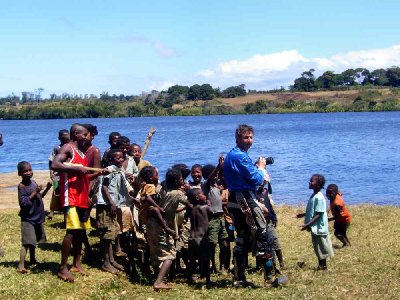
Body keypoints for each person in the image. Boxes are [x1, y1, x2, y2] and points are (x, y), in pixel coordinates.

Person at [223, 124, 282, 288]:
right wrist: (261, 169)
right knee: (263, 236)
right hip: (244, 199)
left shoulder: (232, 155)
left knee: (242, 238)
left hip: (234, 198)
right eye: (245, 137)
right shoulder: (240, 157)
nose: (249, 141)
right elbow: (257, 179)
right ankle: (270, 279)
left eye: (251, 137)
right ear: (237, 138)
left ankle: (239, 278)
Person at [52, 123, 97, 282]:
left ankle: (76, 264)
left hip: (82, 197)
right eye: (84, 134)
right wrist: (77, 169)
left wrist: (100, 172)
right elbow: (55, 164)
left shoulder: (82, 154)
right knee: (71, 231)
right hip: (70, 196)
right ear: (76, 134)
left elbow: (83, 176)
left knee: (80, 231)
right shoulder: (67, 148)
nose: (87, 137)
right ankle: (63, 268)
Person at [146, 168, 189, 291]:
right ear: (176, 181)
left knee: (155, 251)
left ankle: (157, 276)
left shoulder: (161, 188)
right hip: (161, 224)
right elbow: (190, 204)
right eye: (181, 178)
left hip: (151, 222)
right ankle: (158, 282)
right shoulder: (177, 194)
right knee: (170, 255)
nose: (182, 180)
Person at [17, 161, 52, 273]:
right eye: (25, 171)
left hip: (37, 217)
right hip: (28, 218)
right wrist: (34, 192)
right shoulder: (21, 186)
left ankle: (32, 260)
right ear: (19, 173)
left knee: (34, 241)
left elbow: (39, 197)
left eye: (30, 170)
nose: (28, 172)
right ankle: (21, 265)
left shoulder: (33, 183)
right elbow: (24, 203)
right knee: (27, 242)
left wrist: (46, 189)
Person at [99, 149, 128, 273]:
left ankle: (111, 260)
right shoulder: (109, 170)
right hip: (106, 205)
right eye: (118, 158)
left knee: (113, 232)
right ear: (111, 160)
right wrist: (111, 202)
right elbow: (104, 187)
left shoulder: (118, 170)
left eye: (122, 157)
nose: (121, 160)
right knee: (107, 234)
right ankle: (106, 262)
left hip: (113, 205)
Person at [296, 174, 334, 270]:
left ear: (318, 184)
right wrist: (303, 214)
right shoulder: (314, 195)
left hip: (319, 227)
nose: (309, 182)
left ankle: (323, 267)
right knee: (317, 246)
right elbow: (314, 211)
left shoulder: (319, 197)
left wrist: (307, 224)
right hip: (315, 227)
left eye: (312, 181)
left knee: (321, 246)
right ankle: (321, 265)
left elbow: (319, 214)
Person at [201, 158, 229, 274]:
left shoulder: (217, 186)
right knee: (212, 244)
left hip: (221, 219)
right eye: (215, 174)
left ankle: (222, 266)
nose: (216, 175)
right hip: (212, 220)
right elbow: (210, 178)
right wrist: (218, 165)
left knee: (224, 244)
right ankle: (212, 265)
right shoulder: (206, 185)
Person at [138, 166, 175, 237]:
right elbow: (148, 198)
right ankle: (166, 228)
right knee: (156, 210)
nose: (158, 176)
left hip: (143, 211)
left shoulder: (146, 186)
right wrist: (158, 207)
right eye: (156, 174)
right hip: (145, 211)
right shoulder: (151, 186)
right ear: (151, 178)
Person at [186, 188, 213, 285]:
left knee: (192, 260)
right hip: (201, 238)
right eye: (203, 194)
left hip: (192, 238)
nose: (205, 196)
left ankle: (189, 277)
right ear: (197, 197)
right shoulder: (205, 208)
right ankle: (208, 280)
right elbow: (213, 213)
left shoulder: (192, 209)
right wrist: (209, 203)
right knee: (206, 259)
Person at [48, 129, 70, 219]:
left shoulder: (70, 148)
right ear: (59, 138)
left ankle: (64, 210)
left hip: (67, 174)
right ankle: (52, 210)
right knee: (56, 192)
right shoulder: (57, 148)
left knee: (65, 193)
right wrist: (51, 174)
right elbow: (51, 161)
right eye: (63, 137)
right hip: (57, 175)